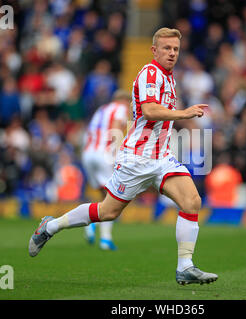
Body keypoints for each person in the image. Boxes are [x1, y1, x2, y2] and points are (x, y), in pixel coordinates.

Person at [28, 27, 218, 286]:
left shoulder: (170, 78)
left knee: (192, 201)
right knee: (107, 212)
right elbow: (150, 111)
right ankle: (51, 227)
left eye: (175, 49)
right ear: (154, 50)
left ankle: (185, 266)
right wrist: (184, 113)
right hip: (137, 159)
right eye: (166, 48)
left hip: (162, 158)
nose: (172, 53)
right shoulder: (150, 73)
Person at [82, 89, 131, 250]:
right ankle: (104, 238)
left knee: (103, 194)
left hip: (88, 153)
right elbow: (116, 127)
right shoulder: (120, 108)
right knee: (113, 196)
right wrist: (118, 153)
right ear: (124, 100)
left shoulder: (101, 109)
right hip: (104, 154)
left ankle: (93, 224)